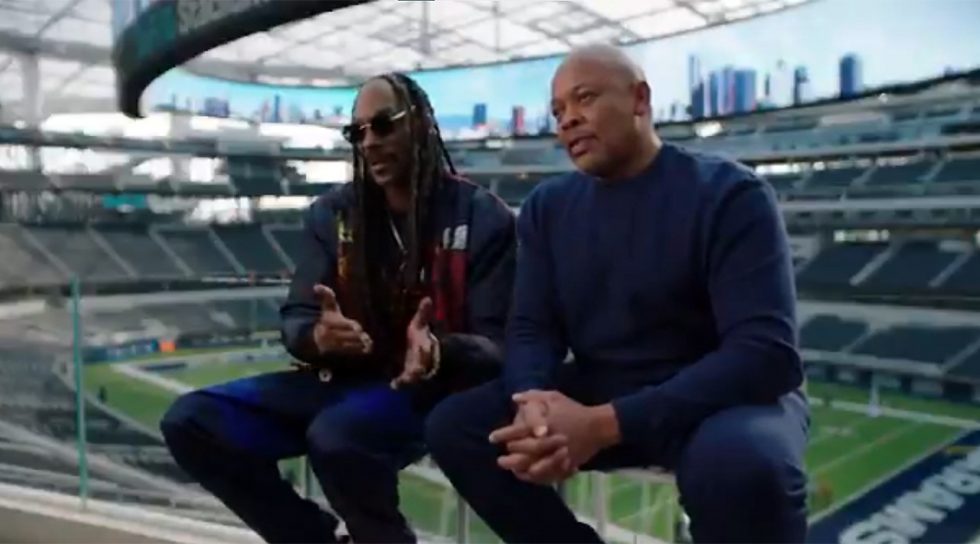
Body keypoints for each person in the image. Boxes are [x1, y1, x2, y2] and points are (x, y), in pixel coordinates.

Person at [426, 45, 809, 543]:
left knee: (741, 466)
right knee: (457, 426)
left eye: (584, 98)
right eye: (558, 111)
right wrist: (532, 400)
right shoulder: (548, 208)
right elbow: (532, 327)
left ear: (640, 100)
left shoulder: (731, 194)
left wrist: (605, 425)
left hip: (719, 399)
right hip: (607, 384)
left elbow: (766, 355)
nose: (568, 120)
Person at [160, 72, 516, 544]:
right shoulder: (332, 214)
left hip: (430, 391)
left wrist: (441, 350)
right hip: (341, 382)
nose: (369, 142)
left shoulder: (482, 215)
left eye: (384, 125)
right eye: (357, 132)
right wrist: (317, 336)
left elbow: (499, 346)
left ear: (422, 123)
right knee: (189, 422)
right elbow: (297, 317)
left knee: (337, 436)